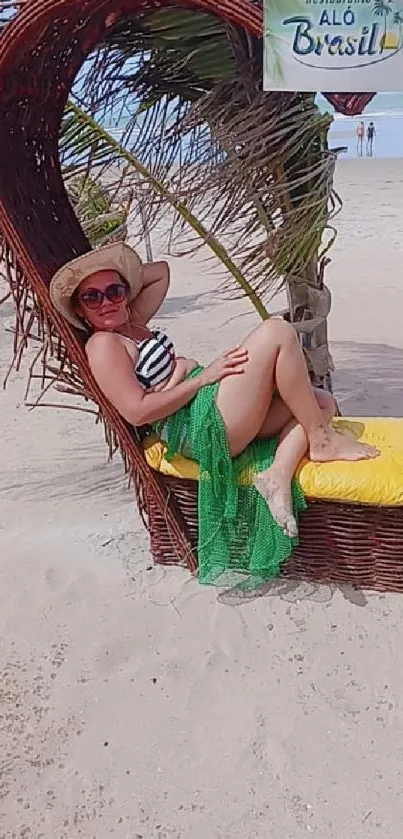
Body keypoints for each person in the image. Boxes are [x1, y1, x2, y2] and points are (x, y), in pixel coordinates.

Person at [50, 243, 379, 586]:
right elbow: (137, 412)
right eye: (92, 297)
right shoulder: (104, 344)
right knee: (277, 331)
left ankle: (277, 476)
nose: (106, 302)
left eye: (114, 291)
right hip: (195, 427)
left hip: (208, 406)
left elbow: (160, 271)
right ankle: (322, 443)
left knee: (320, 402)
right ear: (79, 309)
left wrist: (126, 283)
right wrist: (200, 378)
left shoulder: (130, 322)